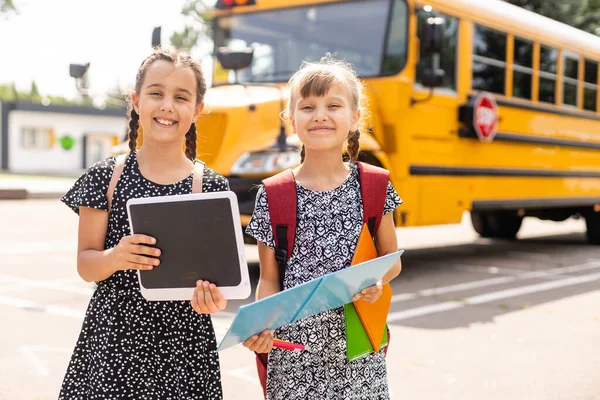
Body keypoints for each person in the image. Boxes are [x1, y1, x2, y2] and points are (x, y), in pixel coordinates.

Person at [59, 47, 228, 399]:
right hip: (113, 345)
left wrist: (211, 298)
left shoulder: (210, 187)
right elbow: (86, 265)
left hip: (185, 351)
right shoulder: (106, 177)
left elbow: (221, 283)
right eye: (156, 93)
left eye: (181, 97)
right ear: (136, 101)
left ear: (197, 110)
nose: (167, 105)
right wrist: (115, 258)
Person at [243, 56, 403, 399]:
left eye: (333, 105)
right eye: (308, 106)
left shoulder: (375, 186)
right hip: (293, 358)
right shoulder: (273, 195)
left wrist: (377, 282)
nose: (320, 115)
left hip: (360, 356)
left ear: (355, 119)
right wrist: (261, 324)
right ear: (291, 120)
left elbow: (392, 259)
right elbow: (269, 278)